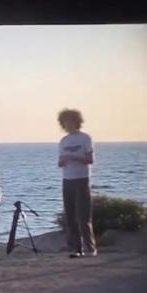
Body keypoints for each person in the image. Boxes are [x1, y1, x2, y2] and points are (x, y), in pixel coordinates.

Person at [57, 108, 97, 258]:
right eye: (65, 123)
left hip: (81, 179)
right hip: (67, 180)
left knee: (83, 216)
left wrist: (75, 158)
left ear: (76, 122)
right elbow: (60, 162)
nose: (68, 125)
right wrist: (63, 161)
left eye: (70, 122)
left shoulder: (85, 138)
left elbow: (90, 159)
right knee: (70, 216)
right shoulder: (63, 141)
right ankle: (76, 248)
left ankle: (90, 248)